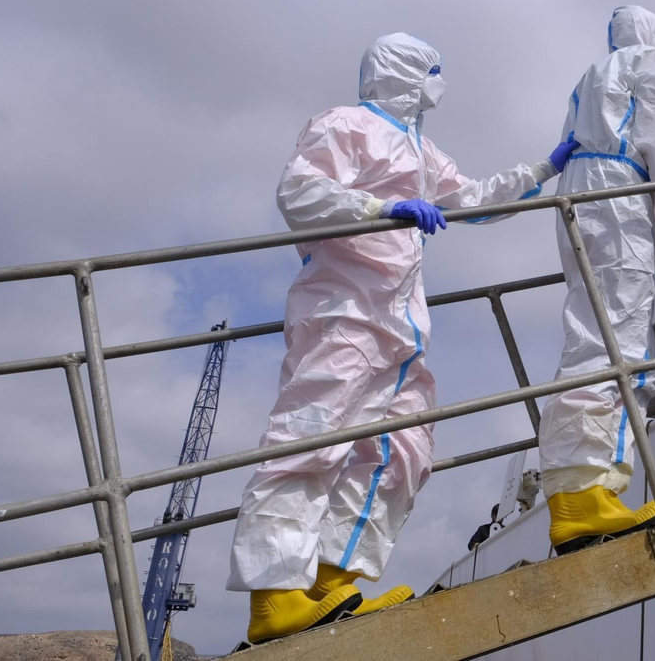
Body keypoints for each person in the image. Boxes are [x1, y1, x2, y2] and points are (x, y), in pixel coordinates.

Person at [226, 33, 578, 644]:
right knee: (312, 438)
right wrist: (381, 210)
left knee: (403, 449)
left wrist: (544, 169)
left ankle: (329, 579)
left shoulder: (419, 146)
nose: (439, 83)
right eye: (433, 71)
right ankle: (273, 593)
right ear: (405, 72)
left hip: (398, 327)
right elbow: (299, 192)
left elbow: (468, 200)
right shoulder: (344, 125)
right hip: (343, 310)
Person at [538, 6, 655, 554]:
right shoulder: (649, 64)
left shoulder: (589, 78)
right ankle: (591, 493)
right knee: (619, 343)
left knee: (590, 333)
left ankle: (574, 492)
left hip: (577, 200)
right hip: (617, 199)